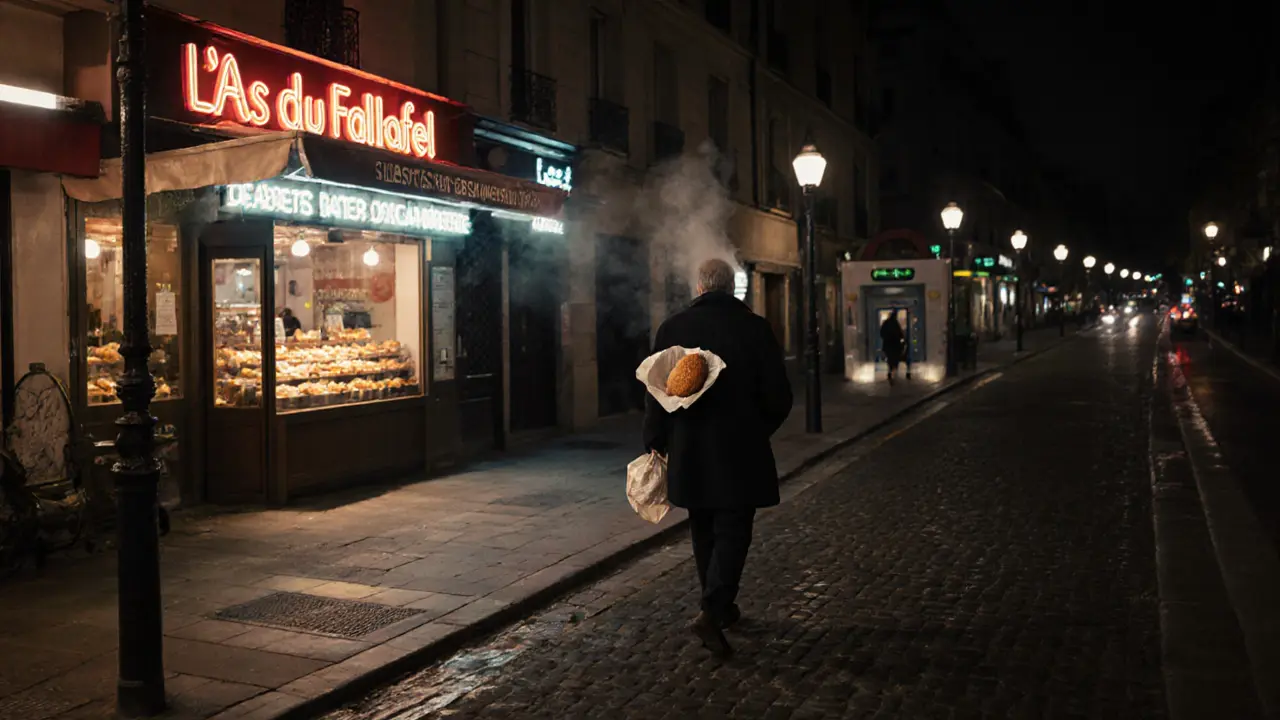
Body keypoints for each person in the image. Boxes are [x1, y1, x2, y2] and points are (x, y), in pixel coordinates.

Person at [643, 258, 792, 658]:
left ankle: (719, 606)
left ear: (699, 286)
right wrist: (757, 430)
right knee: (734, 528)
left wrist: (656, 439)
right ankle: (713, 610)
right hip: (740, 450)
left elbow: (656, 391)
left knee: (703, 526)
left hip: (690, 449)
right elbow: (779, 397)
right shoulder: (756, 328)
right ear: (732, 287)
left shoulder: (672, 329)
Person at [880, 312, 905, 384]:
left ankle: (890, 371)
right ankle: (893, 372)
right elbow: (901, 334)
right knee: (895, 359)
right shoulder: (896, 324)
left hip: (888, 344)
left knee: (890, 358)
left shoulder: (886, 323)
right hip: (895, 345)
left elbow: (881, 333)